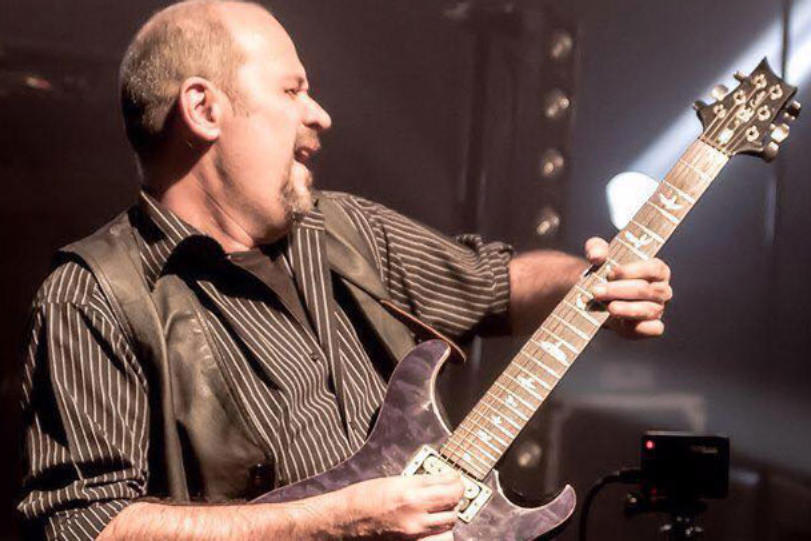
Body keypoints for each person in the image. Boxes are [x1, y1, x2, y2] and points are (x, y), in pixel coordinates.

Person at [17, 1, 673, 539]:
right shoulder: (94, 293)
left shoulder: (347, 230)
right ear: (204, 109)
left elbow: (495, 283)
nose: (319, 114)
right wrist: (334, 521)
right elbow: (81, 524)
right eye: (291, 89)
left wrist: (591, 282)